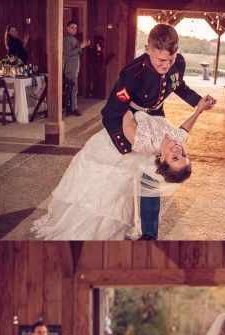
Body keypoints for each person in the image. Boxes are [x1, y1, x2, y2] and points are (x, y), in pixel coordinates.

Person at [33, 92, 214, 240]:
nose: (179, 151)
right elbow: (185, 129)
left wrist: (127, 92)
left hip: (109, 147)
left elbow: (126, 117)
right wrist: (199, 110)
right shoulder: (177, 139)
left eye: (175, 158)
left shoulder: (144, 141)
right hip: (130, 136)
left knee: (99, 187)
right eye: (184, 155)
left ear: (162, 159)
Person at [101, 24, 214, 240]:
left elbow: (178, 86)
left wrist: (199, 102)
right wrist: (125, 146)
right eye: (161, 60)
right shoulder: (132, 74)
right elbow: (111, 113)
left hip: (156, 117)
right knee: (118, 178)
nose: (166, 65)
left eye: (170, 60)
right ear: (148, 49)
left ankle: (150, 234)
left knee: (151, 178)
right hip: (129, 118)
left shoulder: (177, 63)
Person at [63, 20, 91, 116]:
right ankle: (73, 109)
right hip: (70, 67)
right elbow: (69, 53)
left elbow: (77, 53)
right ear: (67, 28)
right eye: (72, 27)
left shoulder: (74, 39)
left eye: (75, 28)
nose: (74, 30)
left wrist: (83, 46)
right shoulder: (66, 39)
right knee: (73, 89)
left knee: (74, 89)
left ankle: (71, 108)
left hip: (75, 67)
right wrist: (80, 46)